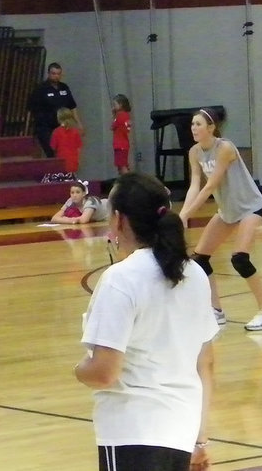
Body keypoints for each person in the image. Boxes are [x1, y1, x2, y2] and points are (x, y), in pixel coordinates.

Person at [75, 172, 218, 471]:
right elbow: (205, 363)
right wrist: (200, 440)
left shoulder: (120, 279)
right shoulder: (195, 273)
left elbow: (103, 373)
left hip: (132, 431)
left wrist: (79, 370)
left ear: (119, 220)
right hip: (182, 430)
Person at [179, 107, 262, 331]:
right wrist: (182, 213)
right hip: (227, 211)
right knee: (200, 260)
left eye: (198, 124)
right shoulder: (195, 152)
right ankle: (216, 311)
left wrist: (188, 214)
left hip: (249, 206)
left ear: (211, 128)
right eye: (192, 124)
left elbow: (211, 185)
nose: (193, 128)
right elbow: (195, 185)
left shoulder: (225, 148)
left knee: (240, 258)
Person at [27, 62, 83, 158]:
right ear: (49, 73)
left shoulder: (64, 87)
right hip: (45, 127)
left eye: (58, 74)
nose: (56, 76)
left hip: (62, 126)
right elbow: (30, 108)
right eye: (53, 73)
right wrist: (28, 129)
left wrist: (78, 123)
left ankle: (63, 172)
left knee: (64, 151)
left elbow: (72, 106)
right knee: (52, 152)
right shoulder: (41, 89)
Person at [49, 107, 82, 174]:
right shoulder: (75, 132)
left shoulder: (56, 132)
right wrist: (78, 161)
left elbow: (53, 147)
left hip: (61, 162)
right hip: (73, 161)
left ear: (58, 118)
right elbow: (79, 148)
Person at [112, 94, 132, 175]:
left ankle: (127, 181)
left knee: (122, 166)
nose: (113, 107)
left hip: (120, 145)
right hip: (123, 144)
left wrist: (114, 115)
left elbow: (112, 126)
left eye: (115, 104)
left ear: (120, 105)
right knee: (122, 165)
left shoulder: (120, 116)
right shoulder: (126, 115)